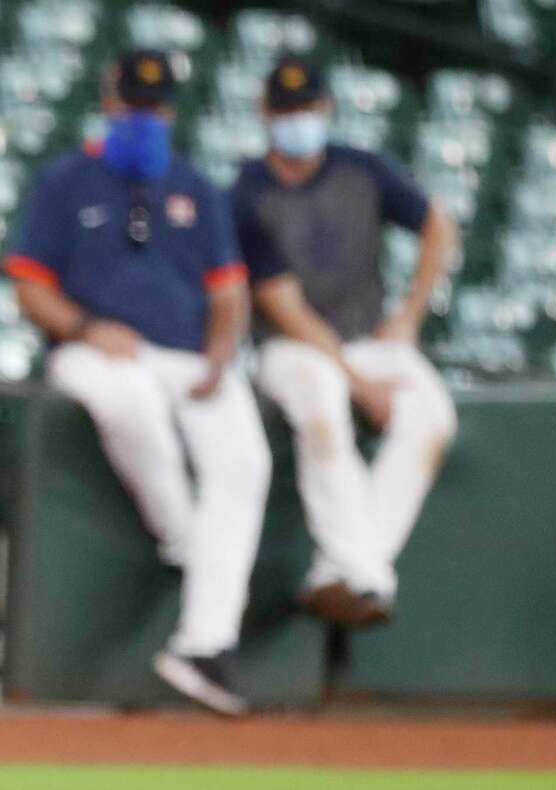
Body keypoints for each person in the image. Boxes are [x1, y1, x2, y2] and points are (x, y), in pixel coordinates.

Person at [4, 51, 272, 717]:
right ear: (109, 101)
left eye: (154, 106)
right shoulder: (67, 180)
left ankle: (205, 645)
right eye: (133, 104)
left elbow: (230, 289)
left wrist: (220, 350)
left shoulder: (194, 185)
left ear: (169, 111)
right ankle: (184, 535)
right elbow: (30, 286)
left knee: (246, 461)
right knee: (127, 397)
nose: (143, 116)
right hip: (94, 349)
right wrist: (89, 326)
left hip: (190, 357)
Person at [231, 56, 459, 627]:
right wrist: (361, 384)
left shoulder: (363, 170)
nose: (297, 119)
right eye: (285, 110)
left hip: (368, 336)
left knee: (431, 416)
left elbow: (439, 225)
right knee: (324, 407)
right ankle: (366, 576)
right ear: (265, 113)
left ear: (326, 108)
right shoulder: (246, 192)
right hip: (290, 346)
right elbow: (284, 307)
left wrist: (411, 315)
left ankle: (342, 571)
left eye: (306, 107)